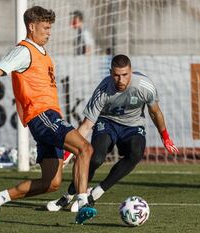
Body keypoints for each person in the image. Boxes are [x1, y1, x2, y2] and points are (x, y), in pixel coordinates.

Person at [0, 6, 96, 225]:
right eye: (45, 27)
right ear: (32, 27)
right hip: (42, 116)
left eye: (50, 28)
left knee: (50, 184)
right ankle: (83, 202)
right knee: (85, 148)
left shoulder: (43, 53)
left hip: (47, 118)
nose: (49, 32)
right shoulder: (23, 51)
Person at [46, 54, 179, 212]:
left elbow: (155, 113)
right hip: (107, 123)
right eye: (116, 75)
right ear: (110, 73)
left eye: (124, 75)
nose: (120, 80)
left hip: (133, 125)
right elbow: (87, 124)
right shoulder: (103, 89)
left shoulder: (145, 86)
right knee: (94, 159)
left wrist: (166, 137)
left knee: (136, 153)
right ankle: (67, 197)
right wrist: (69, 153)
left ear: (131, 72)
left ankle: (96, 193)